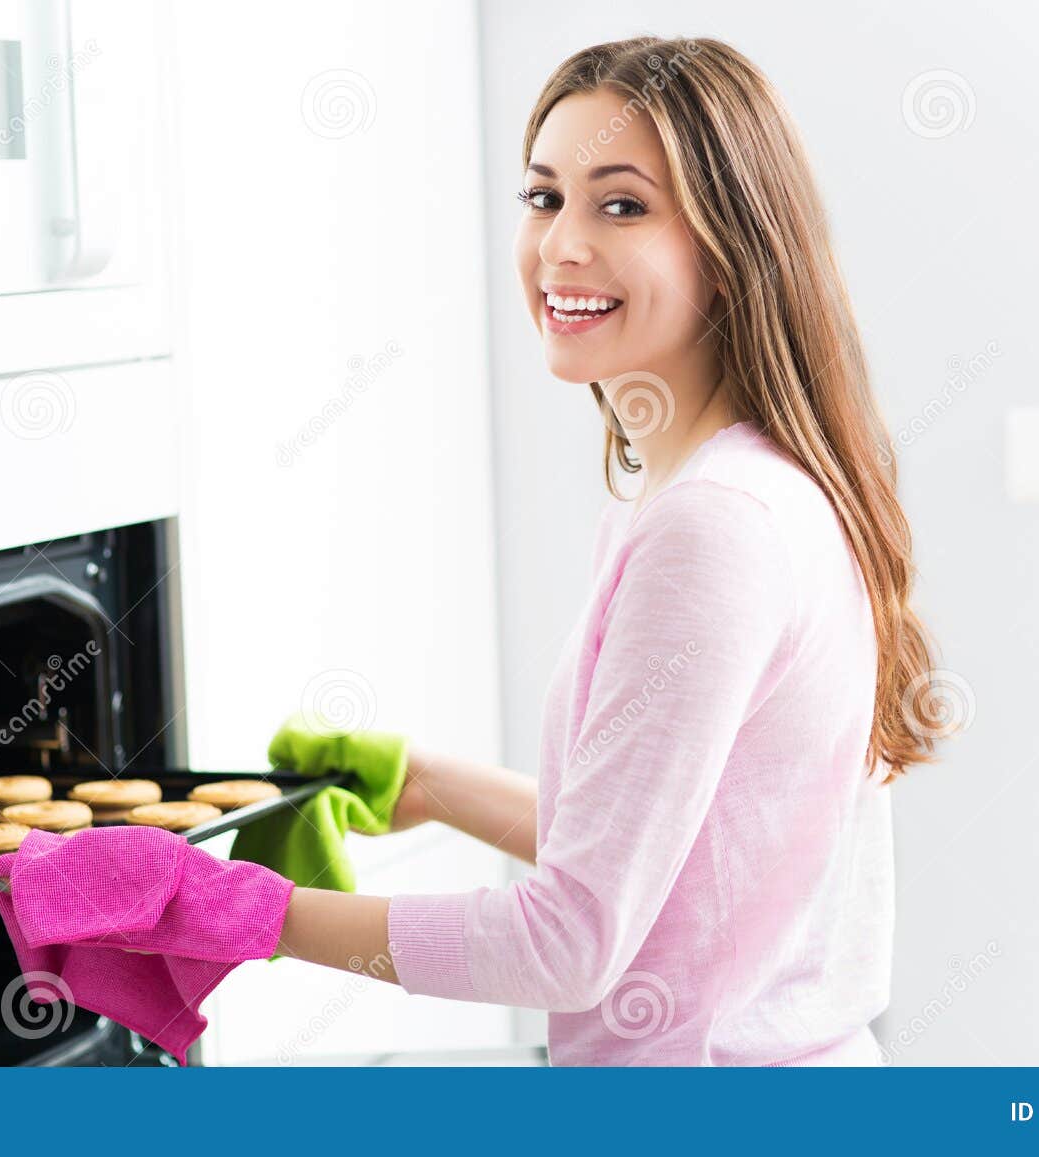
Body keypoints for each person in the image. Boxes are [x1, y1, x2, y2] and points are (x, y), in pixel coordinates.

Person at [271, 35, 945, 1065]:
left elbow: (570, 942)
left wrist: (237, 912)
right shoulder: (734, 487)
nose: (559, 247)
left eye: (620, 204)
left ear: (733, 248)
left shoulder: (711, 527)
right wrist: (433, 783)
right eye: (544, 197)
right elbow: (676, 854)